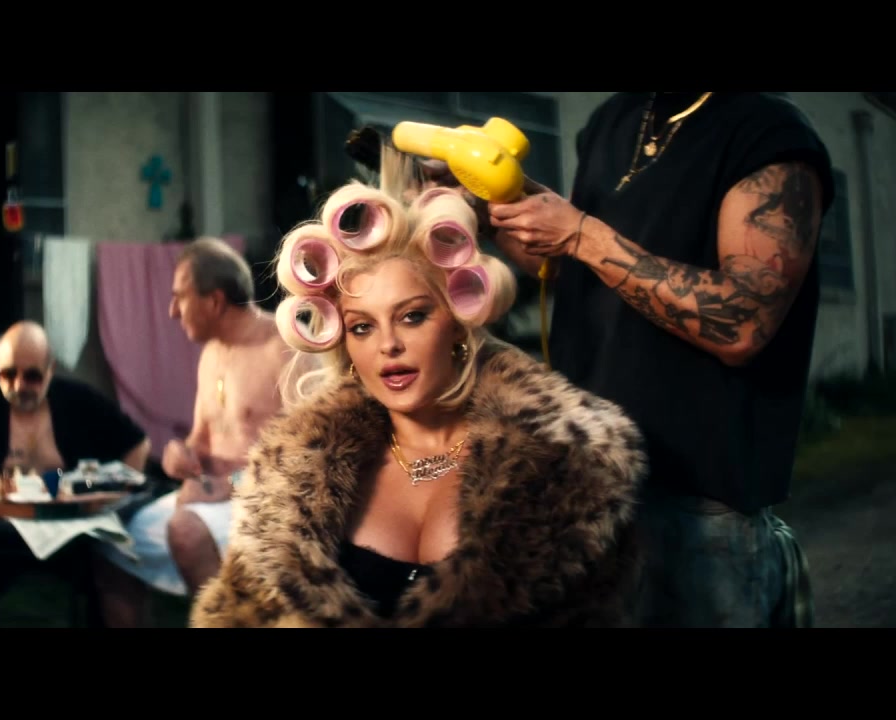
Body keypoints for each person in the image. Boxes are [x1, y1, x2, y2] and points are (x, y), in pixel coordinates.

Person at [189, 147, 648, 628]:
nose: (388, 345)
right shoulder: (290, 474)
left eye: (412, 316)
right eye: (362, 327)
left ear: (457, 322)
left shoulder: (564, 468)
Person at [484, 92, 830, 627]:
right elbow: (577, 266)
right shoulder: (613, 119)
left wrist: (581, 232)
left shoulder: (766, 131)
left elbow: (744, 321)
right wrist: (491, 212)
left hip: (698, 503)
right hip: (590, 488)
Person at [93, 237, 298, 627]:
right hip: (209, 495)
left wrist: (231, 485)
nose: (172, 311)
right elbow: (202, 440)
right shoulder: (211, 353)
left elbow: (311, 456)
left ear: (215, 301)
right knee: (110, 536)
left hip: (265, 502)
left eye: (179, 298)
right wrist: (181, 453)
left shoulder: (284, 349)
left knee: (185, 530)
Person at [0, 320, 150, 628]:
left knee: (110, 573)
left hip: (68, 532)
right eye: (8, 374)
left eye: (32, 376)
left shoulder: (78, 400)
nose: (19, 386)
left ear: (50, 370)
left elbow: (137, 443)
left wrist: (118, 498)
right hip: (0, 532)